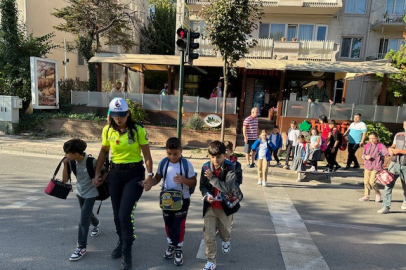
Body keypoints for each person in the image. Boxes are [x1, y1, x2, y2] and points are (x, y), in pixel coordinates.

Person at [93, 97, 153, 270]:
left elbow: (147, 156)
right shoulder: (107, 130)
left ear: (128, 113)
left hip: (134, 175)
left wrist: (149, 176)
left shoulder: (139, 130)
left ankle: (127, 250)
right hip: (115, 174)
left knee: (125, 214)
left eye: (121, 114)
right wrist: (98, 173)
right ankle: (122, 240)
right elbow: (103, 152)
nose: (118, 118)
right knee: (116, 214)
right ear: (110, 115)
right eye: (114, 115)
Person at [142, 137, 196, 266]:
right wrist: (150, 184)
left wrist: (183, 180)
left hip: (183, 199)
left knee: (179, 223)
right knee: (168, 223)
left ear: (181, 151)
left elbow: (194, 182)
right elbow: (157, 178)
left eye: (175, 154)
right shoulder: (163, 163)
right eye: (169, 154)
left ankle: (178, 248)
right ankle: (171, 244)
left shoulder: (186, 164)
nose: (172, 157)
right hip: (166, 199)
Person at [200, 141, 240, 270]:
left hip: (225, 206)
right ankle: (211, 260)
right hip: (210, 207)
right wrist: (207, 195)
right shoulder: (206, 167)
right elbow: (202, 186)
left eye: (218, 157)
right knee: (209, 235)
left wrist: (212, 178)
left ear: (224, 155)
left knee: (224, 232)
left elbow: (227, 187)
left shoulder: (230, 167)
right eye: (212, 157)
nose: (215, 160)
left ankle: (226, 240)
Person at [62, 139, 100, 261]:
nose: (65, 155)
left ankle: (81, 247)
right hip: (80, 192)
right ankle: (96, 223)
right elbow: (64, 180)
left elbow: (104, 172)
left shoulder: (91, 162)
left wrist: (98, 180)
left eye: (67, 153)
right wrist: (65, 164)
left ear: (76, 154)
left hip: (91, 193)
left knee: (83, 219)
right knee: (87, 213)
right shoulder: (71, 162)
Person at [377, 121, 406, 214]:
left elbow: (399, 150)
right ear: (404, 125)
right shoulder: (398, 135)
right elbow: (393, 146)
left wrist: (400, 151)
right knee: (388, 185)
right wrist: (390, 149)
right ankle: (386, 207)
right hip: (394, 164)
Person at [359, 132, 389, 202]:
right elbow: (363, 154)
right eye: (370, 138)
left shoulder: (380, 146)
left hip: (376, 166)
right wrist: (365, 156)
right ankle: (366, 196)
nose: (372, 140)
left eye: (373, 138)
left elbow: (386, 153)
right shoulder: (367, 145)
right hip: (367, 165)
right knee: (366, 182)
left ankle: (378, 193)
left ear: (377, 138)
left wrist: (390, 152)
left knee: (372, 182)